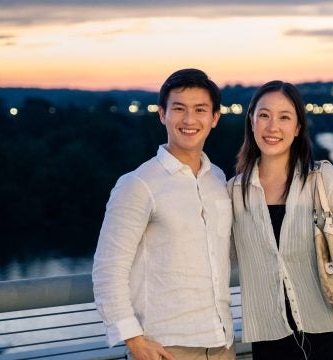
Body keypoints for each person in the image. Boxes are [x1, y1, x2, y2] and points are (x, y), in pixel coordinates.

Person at [228, 81, 333, 360]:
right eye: (264, 115)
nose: (272, 127)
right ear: (251, 122)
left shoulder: (325, 181)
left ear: (298, 127)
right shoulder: (233, 192)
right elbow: (217, 260)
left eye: (284, 117)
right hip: (270, 340)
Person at [92, 68, 235, 360]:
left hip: (222, 345)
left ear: (215, 118)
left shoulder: (218, 180)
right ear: (162, 114)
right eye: (179, 109)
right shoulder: (138, 184)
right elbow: (108, 270)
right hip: (165, 349)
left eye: (200, 110)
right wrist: (133, 339)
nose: (189, 120)